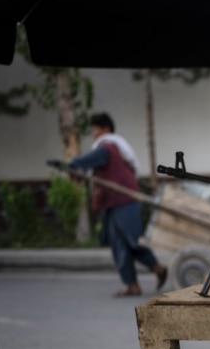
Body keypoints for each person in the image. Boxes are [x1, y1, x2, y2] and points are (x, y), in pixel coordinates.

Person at [68, 112, 167, 297]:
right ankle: (132, 284)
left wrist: (73, 163)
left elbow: (94, 158)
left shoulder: (109, 146)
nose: (94, 133)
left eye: (96, 129)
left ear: (106, 129)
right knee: (118, 244)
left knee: (133, 240)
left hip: (125, 201)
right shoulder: (114, 146)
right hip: (112, 203)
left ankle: (158, 268)